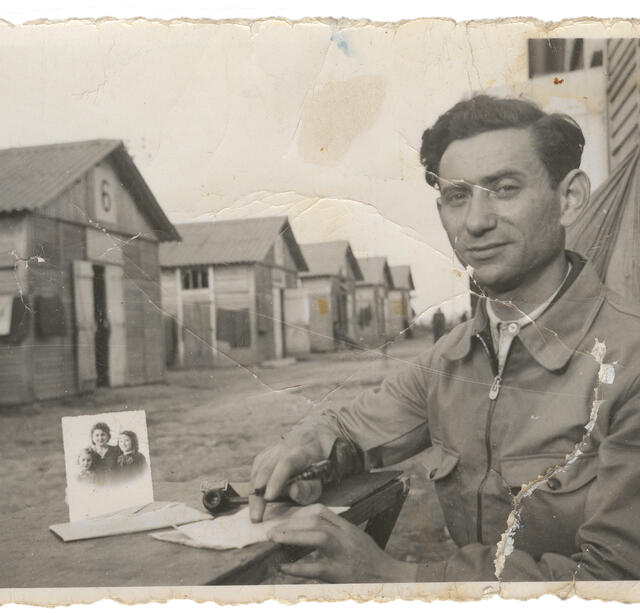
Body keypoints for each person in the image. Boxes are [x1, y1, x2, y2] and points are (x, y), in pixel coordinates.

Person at [249, 95, 640, 582]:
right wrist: (309, 444)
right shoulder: (453, 357)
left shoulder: (630, 360)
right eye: (458, 196)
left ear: (570, 199)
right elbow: (348, 428)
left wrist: (396, 579)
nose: (476, 222)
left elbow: (616, 583)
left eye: (504, 188)